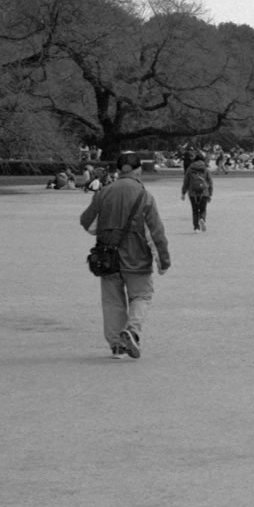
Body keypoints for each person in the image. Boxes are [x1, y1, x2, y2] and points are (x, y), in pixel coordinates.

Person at [80, 152, 170, 359]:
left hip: (107, 257)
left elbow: (88, 222)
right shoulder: (144, 195)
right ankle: (132, 330)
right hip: (136, 257)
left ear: (118, 170)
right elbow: (155, 233)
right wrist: (163, 261)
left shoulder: (104, 192)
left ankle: (117, 345)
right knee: (142, 295)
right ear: (138, 170)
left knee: (112, 302)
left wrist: (105, 230)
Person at [181, 152, 213, 232]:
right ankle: (202, 218)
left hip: (192, 192)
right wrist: (210, 193)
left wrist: (183, 192)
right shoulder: (205, 168)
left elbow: (186, 181)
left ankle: (196, 227)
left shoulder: (190, 168)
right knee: (203, 209)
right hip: (204, 192)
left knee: (195, 210)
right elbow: (210, 182)